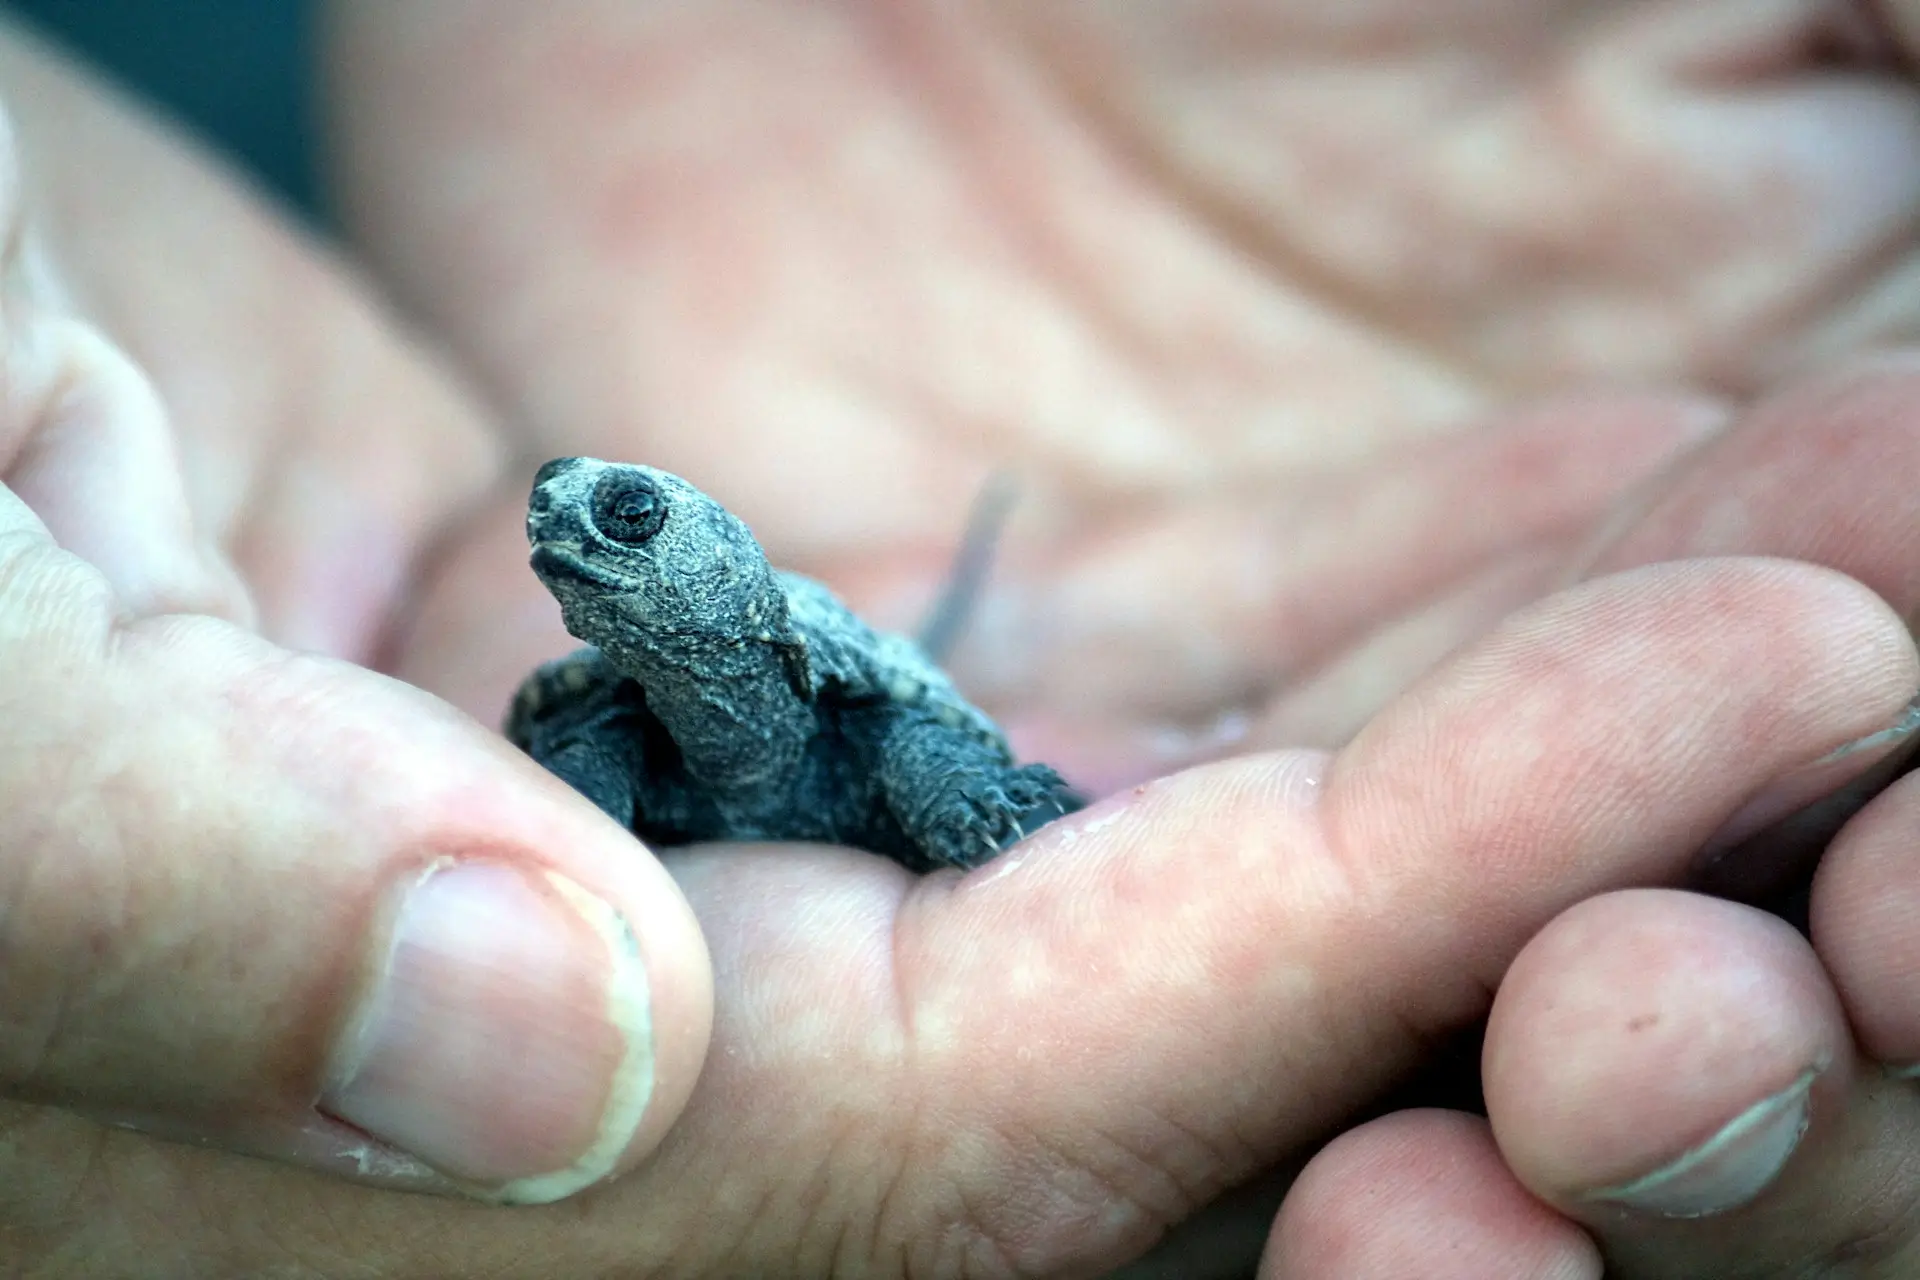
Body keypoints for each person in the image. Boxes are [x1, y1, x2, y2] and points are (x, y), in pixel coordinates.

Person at [3, 1, 1920, 1275]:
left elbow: (906, 736)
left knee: (959, 790)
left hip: (851, 740)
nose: (576, 531)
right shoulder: (611, 710)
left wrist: (1005, 814)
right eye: (565, 532)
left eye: (631, 514)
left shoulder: (828, 696)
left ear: (722, 566)